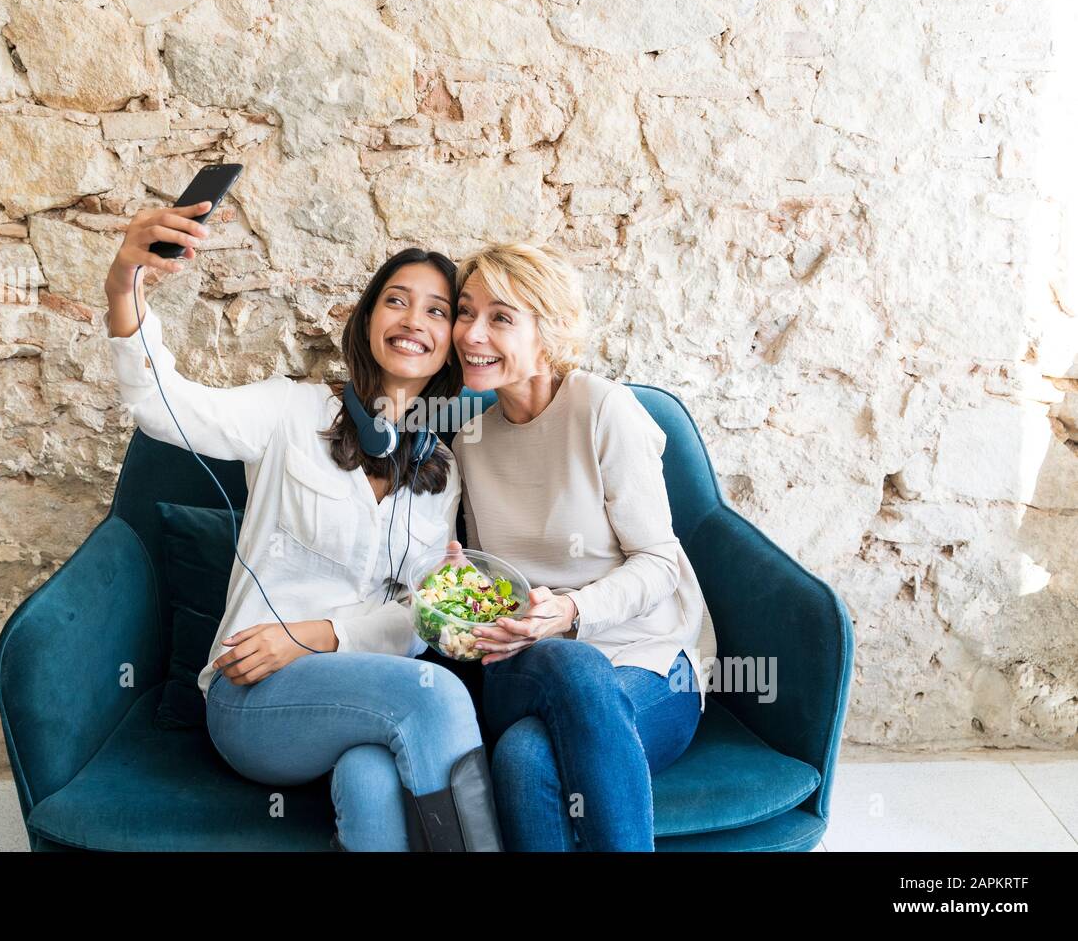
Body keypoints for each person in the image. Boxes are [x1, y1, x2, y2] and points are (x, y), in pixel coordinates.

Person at [103, 197, 502, 851]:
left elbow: (416, 623)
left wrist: (317, 635)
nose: (415, 320)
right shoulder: (289, 413)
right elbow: (159, 404)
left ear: (450, 346)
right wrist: (126, 279)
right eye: (397, 301)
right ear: (369, 319)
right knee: (440, 699)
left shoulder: (440, 470)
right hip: (255, 693)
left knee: (371, 778)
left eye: (437, 310)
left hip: (355, 694)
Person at [445, 241, 719, 851]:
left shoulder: (603, 410)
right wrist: (470, 587)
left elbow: (659, 564)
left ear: (549, 330)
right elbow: (499, 582)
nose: (471, 333)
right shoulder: (470, 438)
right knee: (570, 660)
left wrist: (571, 612)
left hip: (645, 660)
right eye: (465, 312)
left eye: (501, 317)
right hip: (526, 665)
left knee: (524, 758)